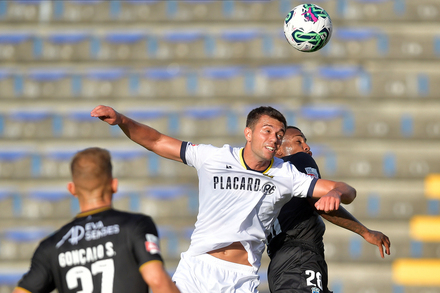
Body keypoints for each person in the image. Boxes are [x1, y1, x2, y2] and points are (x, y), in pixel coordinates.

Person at [90, 105, 357, 293]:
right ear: (248, 133)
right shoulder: (214, 157)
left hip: (240, 278)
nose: (274, 138)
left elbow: (346, 189)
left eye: (279, 134)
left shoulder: (286, 174)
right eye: (267, 130)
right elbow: (157, 141)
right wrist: (122, 120)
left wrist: (334, 192)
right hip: (197, 267)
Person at [13, 147, 180, 293]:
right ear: (114, 185)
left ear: (72, 189)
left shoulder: (51, 246)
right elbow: (157, 280)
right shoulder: (135, 226)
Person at [267, 126, 391, 293]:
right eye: (298, 141)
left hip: (280, 264)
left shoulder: (266, 181)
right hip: (299, 258)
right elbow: (319, 203)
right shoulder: (298, 160)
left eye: (305, 142)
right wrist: (365, 232)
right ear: (279, 150)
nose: (306, 147)